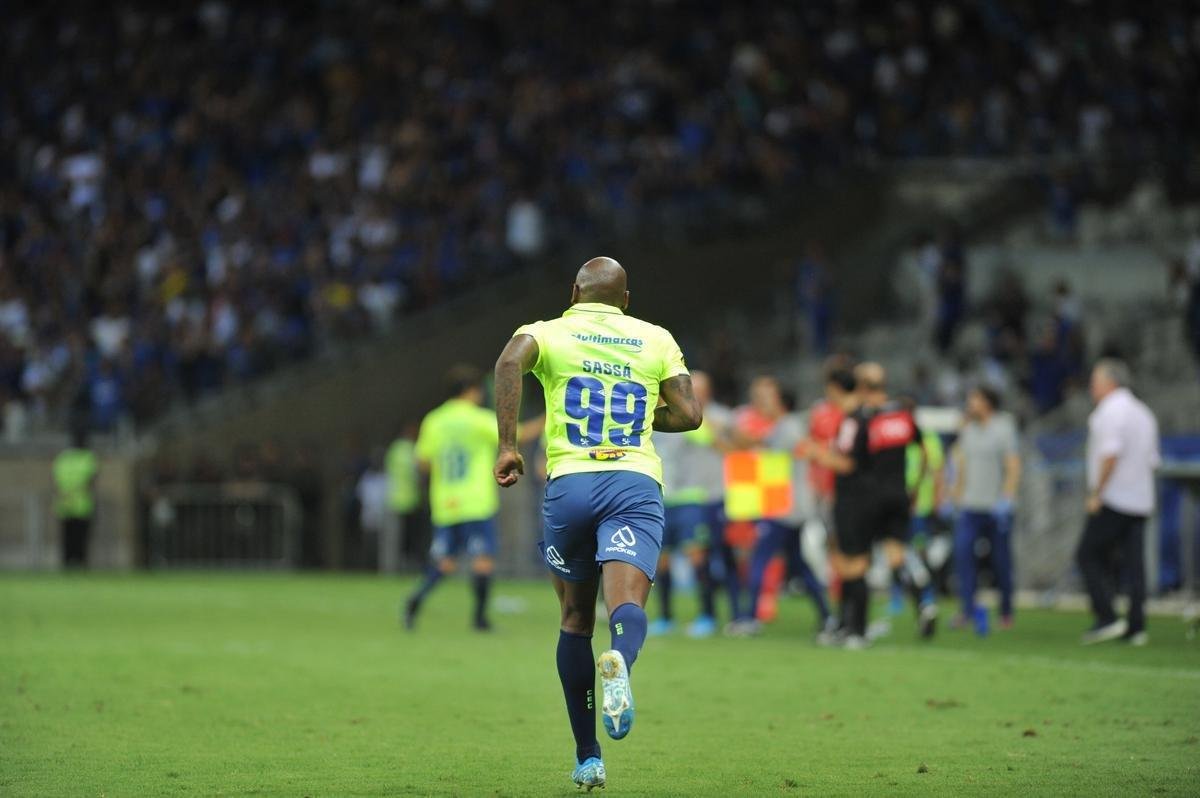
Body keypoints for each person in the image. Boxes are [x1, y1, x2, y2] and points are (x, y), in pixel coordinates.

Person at [492, 257, 701, 791]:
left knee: (574, 618)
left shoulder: (547, 332)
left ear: (574, 292)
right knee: (625, 605)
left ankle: (588, 757)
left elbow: (509, 362)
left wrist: (510, 445)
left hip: (570, 485)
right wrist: (642, 412)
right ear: (626, 300)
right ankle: (621, 662)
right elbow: (690, 414)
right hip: (632, 480)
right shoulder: (655, 338)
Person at [808, 363, 936, 645]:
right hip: (898, 494)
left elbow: (849, 463)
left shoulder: (858, 419)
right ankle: (923, 600)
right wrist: (916, 485)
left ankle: (854, 628)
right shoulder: (900, 416)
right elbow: (924, 450)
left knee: (852, 563)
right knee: (893, 556)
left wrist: (815, 452)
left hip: (860, 499)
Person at [403, 366, 539, 631]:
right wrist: (549, 418)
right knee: (483, 559)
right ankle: (479, 619)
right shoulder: (479, 419)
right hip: (476, 502)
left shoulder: (434, 420)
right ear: (471, 391)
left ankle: (415, 600)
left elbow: (422, 461)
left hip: (446, 502)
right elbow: (518, 435)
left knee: (445, 561)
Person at [727, 376, 830, 636]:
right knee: (798, 563)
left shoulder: (788, 427)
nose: (765, 405)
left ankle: (750, 618)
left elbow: (773, 449)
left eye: (770, 400)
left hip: (784, 507)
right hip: (791, 506)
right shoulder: (785, 426)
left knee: (760, 559)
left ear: (781, 403)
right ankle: (828, 616)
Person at [1076, 359, 1160, 646]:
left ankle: (1107, 616)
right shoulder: (1144, 413)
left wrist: (1096, 493)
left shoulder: (1108, 412)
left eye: (1095, 382)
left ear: (1110, 382)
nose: (1091, 387)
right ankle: (1137, 627)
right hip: (1140, 499)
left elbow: (1110, 455)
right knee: (1135, 565)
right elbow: (1152, 461)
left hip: (1114, 498)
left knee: (1087, 555)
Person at [648, 371, 731, 639]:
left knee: (697, 556)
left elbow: (721, 447)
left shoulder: (698, 419)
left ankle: (707, 615)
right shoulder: (656, 416)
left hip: (692, 499)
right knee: (661, 561)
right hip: (662, 497)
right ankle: (665, 617)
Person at [951, 386, 1021, 634]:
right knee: (963, 558)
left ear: (987, 402)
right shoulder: (967, 430)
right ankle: (966, 611)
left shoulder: (1004, 427)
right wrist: (956, 496)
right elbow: (961, 465)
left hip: (995, 507)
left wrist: (1007, 498)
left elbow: (1013, 465)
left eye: (975, 399)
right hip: (970, 507)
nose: (970, 403)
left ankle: (1005, 612)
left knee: (1001, 562)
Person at [53, 426, 98, 568]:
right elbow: (91, 481)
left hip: (64, 502)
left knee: (67, 537)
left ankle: (67, 564)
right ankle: (80, 563)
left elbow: (55, 481)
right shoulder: (88, 458)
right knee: (81, 537)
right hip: (82, 503)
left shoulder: (62, 458)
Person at [383, 423, 421, 571]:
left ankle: (392, 568)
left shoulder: (394, 449)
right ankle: (400, 568)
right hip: (405, 500)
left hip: (395, 498)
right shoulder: (409, 449)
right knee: (405, 540)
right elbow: (416, 471)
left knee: (396, 540)